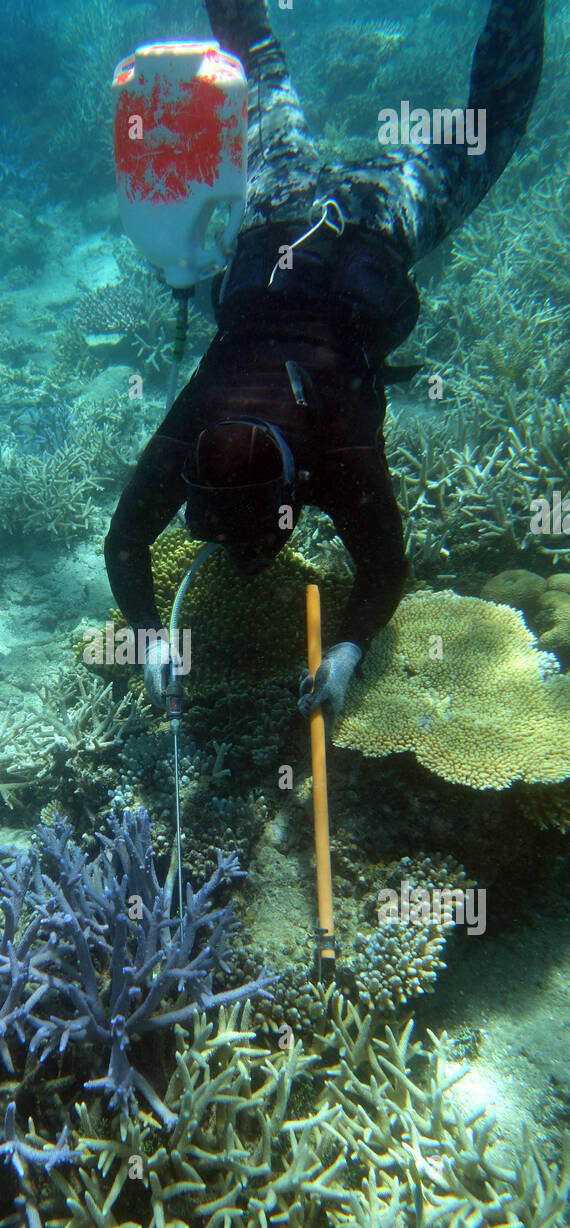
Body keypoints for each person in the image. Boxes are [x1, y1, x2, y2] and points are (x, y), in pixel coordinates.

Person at [104, 0, 546, 727]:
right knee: (257, 66)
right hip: (280, 209)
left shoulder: (335, 449)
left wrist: (346, 655)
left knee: (492, 124)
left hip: (371, 220)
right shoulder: (202, 418)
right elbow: (125, 541)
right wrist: (151, 640)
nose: (245, 559)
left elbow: (386, 568)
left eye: (247, 539)